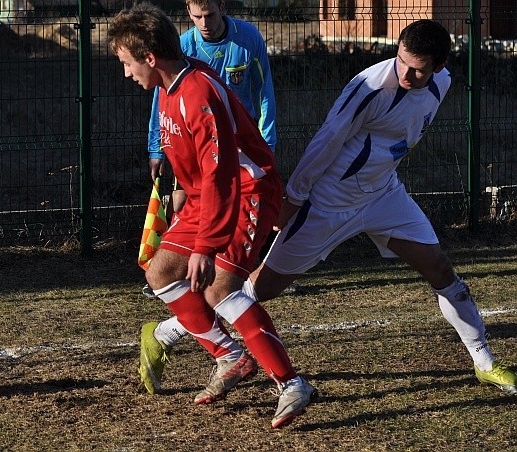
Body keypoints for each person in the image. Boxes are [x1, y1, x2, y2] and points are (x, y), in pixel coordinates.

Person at [139, 19, 517, 396]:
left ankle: (484, 362)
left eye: (419, 69)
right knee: (252, 291)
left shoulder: (444, 82)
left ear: (438, 67)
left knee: (440, 269)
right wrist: (294, 198)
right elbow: (327, 140)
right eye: (402, 61)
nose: (407, 74)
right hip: (328, 204)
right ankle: (164, 333)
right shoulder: (369, 88)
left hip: (384, 195)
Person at [108, 2, 317, 428]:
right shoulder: (168, 90)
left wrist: (204, 246)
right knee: (161, 271)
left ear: (149, 58)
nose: (126, 73)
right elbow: (195, 160)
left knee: (219, 289)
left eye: (127, 63)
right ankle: (230, 356)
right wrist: (185, 191)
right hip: (208, 192)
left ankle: (292, 382)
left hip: (246, 190)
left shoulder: (198, 92)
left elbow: (223, 171)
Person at [142, 0, 279, 299]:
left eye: (210, 15)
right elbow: (161, 98)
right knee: (183, 202)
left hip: (240, 147)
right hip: (193, 143)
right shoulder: (182, 44)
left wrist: (267, 140)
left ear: (223, 7)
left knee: (241, 204)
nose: (204, 23)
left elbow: (264, 89)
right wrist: (157, 147)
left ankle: (250, 271)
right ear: (188, 13)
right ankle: (177, 267)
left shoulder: (248, 39)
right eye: (196, 17)